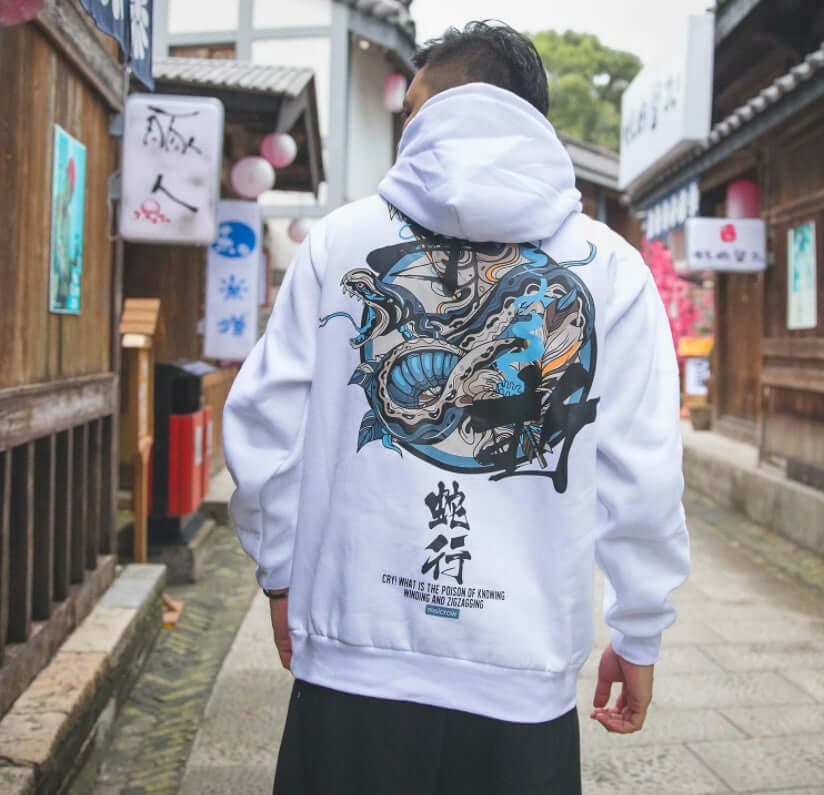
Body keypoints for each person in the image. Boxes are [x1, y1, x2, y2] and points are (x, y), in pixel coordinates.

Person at [223, 20, 690, 795]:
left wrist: (281, 574)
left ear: (443, 111)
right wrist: (640, 628)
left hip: (353, 662)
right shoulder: (612, 269)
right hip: (521, 679)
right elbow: (643, 473)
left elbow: (265, 429)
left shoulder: (340, 242)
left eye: (413, 109)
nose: (409, 127)